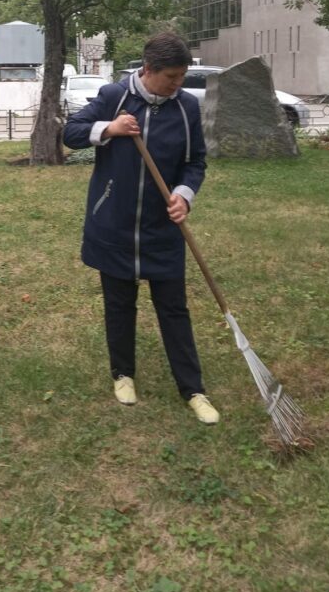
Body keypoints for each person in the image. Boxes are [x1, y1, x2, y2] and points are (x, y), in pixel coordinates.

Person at [63, 31, 219, 424]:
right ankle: (123, 373)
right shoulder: (113, 97)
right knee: (119, 305)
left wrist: (184, 194)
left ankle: (193, 388)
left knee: (174, 308)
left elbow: (195, 162)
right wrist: (109, 129)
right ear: (148, 70)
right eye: (171, 78)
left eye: (182, 77)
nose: (178, 85)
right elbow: (70, 132)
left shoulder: (186, 108)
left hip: (161, 230)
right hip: (112, 225)